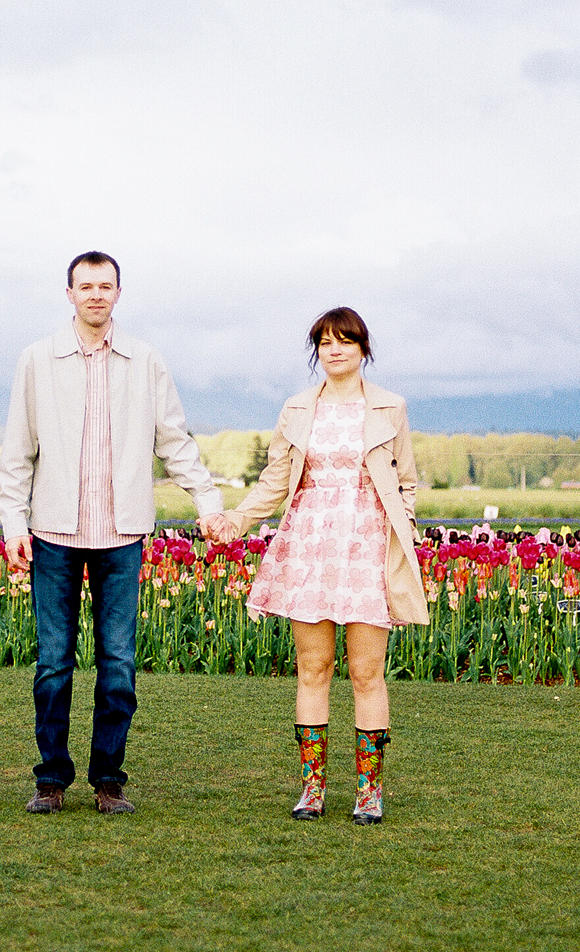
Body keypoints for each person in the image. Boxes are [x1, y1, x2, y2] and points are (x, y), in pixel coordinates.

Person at [0, 250, 227, 815]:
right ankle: (50, 779)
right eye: (86, 286)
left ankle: (108, 781)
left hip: (122, 535)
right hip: (54, 532)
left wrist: (208, 501)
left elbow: (174, 441)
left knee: (118, 663)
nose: (96, 294)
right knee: (53, 661)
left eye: (106, 286)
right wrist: (13, 523)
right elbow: (16, 453)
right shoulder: (37, 360)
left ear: (118, 294)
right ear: (69, 293)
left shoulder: (144, 360)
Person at [201, 307, 428, 824]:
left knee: (367, 672)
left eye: (345, 341)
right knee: (313, 668)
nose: (335, 350)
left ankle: (368, 792)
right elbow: (276, 481)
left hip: (368, 545)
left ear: (363, 349)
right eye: (325, 342)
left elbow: (407, 481)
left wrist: (402, 530)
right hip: (309, 545)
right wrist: (237, 520)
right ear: (316, 352)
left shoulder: (391, 407)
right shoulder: (298, 409)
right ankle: (313, 789)